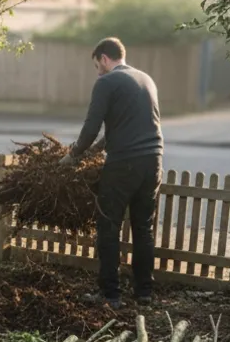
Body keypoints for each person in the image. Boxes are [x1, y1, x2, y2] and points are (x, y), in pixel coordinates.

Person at [61, 37, 163, 310]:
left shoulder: (106, 83)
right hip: (153, 161)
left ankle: (110, 295)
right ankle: (143, 293)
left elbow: (92, 125)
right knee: (143, 228)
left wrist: (73, 155)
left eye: (97, 65)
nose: (98, 71)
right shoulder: (146, 80)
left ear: (105, 59)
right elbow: (122, 128)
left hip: (124, 164)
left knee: (108, 227)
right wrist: (95, 151)